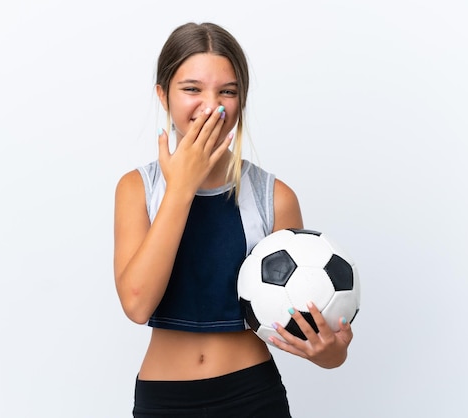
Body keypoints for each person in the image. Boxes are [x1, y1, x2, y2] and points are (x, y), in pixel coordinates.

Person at [113, 22, 354, 417]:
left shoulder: (274, 197)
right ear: (163, 95)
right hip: (164, 401)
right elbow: (137, 304)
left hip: (252, 396)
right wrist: (181, 188)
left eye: (227, 91)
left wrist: (330, 353)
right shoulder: (137, 189)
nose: (211, 106)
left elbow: (314, 339)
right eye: (192, 89)